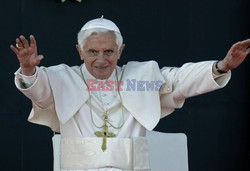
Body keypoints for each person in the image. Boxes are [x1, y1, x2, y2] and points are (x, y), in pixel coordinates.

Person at [11, 17, 250, 171]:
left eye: (109, 51)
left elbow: (180, 79)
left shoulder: (141, 77)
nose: (101, 60)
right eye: (92, 51)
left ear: (120, 50)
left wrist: (221, 66)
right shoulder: (62, 78)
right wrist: (29, 69)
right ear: (79, 51)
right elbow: (39, 92)